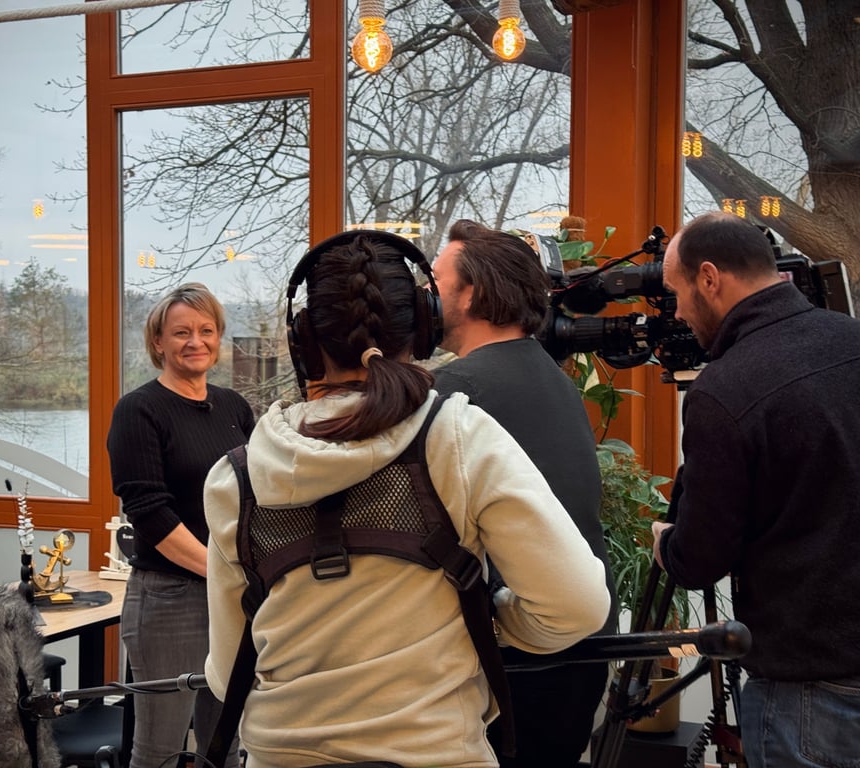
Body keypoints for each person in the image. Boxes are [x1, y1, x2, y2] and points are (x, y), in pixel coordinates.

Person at [203, 230, 610, 768]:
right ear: (422, 326)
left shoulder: (235, 478)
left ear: (303, 339)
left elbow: (228, 667)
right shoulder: (457, 437)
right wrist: (484, 623)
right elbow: (576, 607)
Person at [651, 212, 860, 767]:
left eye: (676, 293)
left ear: (710, 279)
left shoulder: (725, 389)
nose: (676, 313)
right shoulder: (852, 339)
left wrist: (664, 542)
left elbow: (699, 560)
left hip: (806, 689)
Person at [431, 218, 618, 768]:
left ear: (473, 293)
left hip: (517, 661)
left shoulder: (458, 390)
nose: (425, 295)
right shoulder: (551, 376)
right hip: (576, 651)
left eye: (437, 281)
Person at [107, 282, 254, 768]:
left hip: (231, 598)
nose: (196, 341)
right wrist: (220, 573)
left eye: (207, 330)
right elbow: (150, 511)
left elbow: (256, 495)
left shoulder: (234, 407)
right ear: (158, 343)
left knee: (224, 742)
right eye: (181, 332)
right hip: (170, 600)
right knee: (160, 748)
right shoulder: (139, 409)